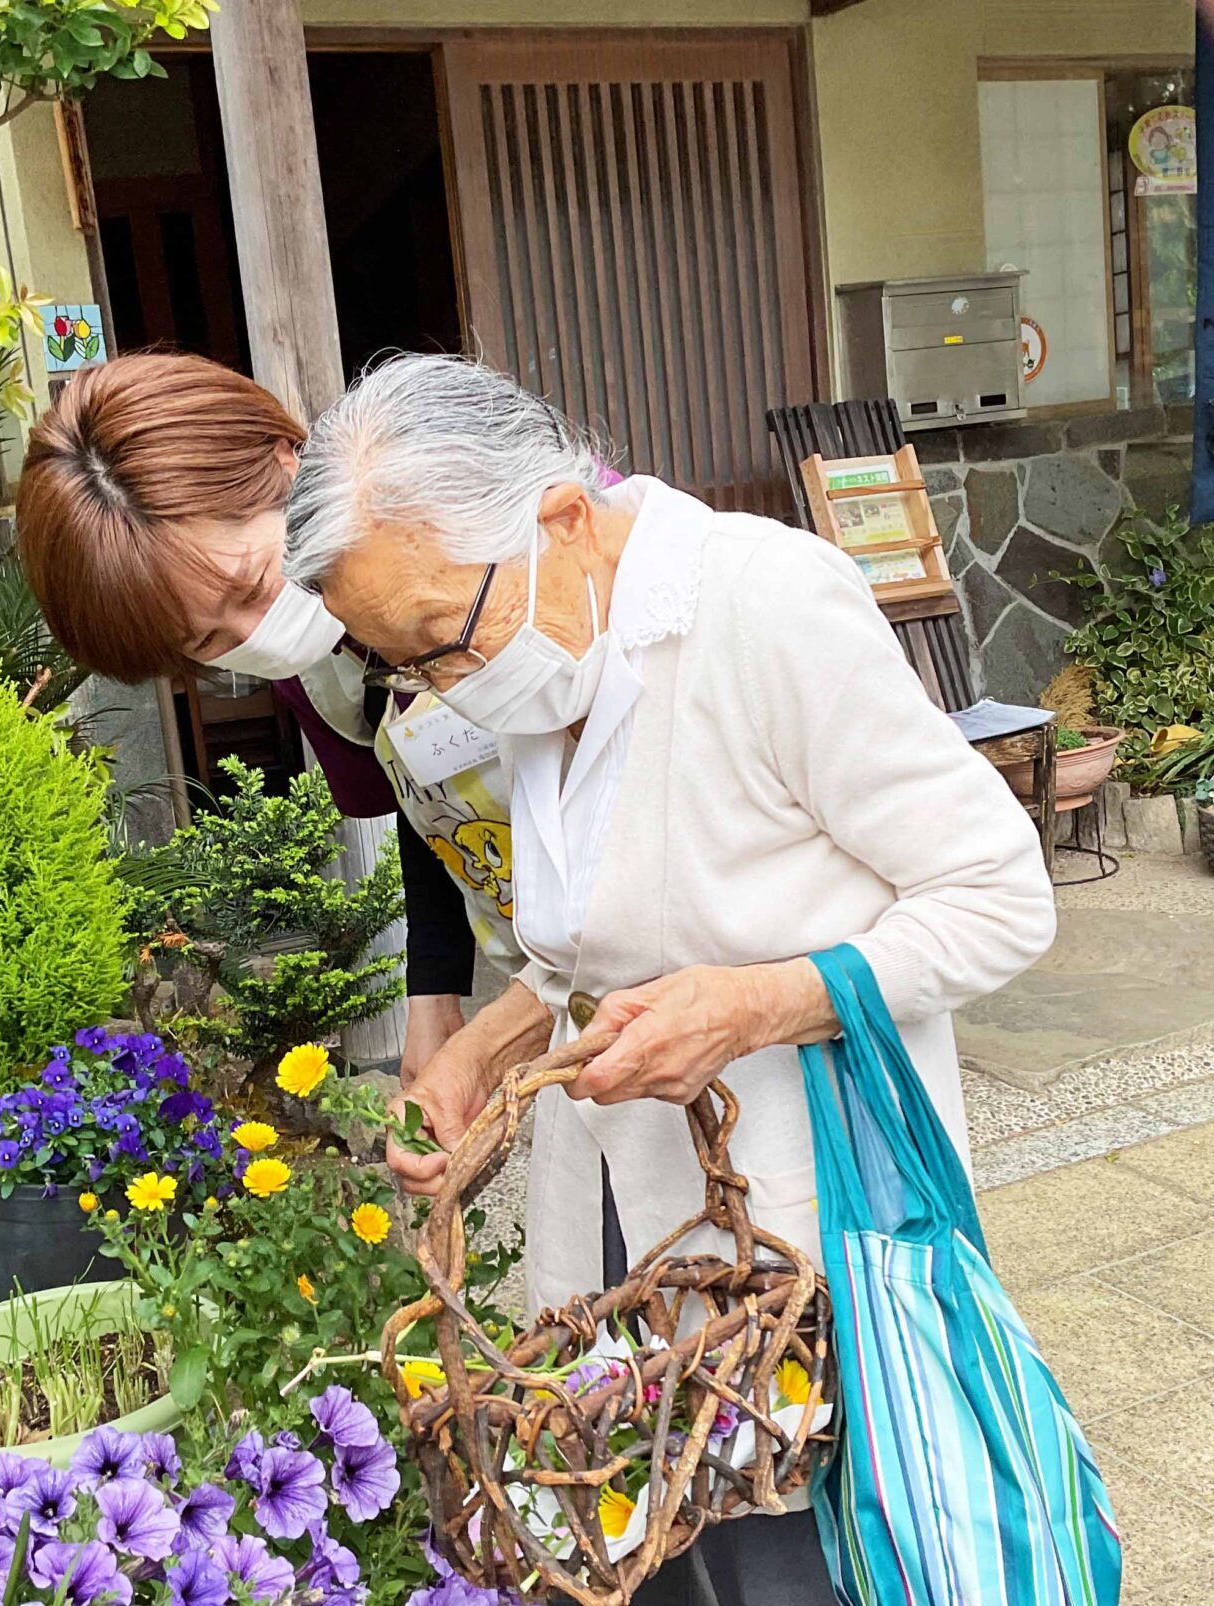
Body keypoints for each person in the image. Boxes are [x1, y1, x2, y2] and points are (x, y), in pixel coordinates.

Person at [281, 354, 1057, 1606]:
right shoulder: (546, 648)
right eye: (403, 666)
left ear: (563, 520)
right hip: (616, 1211)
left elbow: (1001, 896)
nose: (440, 690)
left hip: (796, 1234)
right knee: (656, 1544)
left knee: (792, 1552)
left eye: (438, 643)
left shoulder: (765, 609)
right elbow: (587, 937)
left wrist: (753, 1002)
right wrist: (484, 1049)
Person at [16, 351, 546, 1078]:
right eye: (205, 640)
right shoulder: (314, 671)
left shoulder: (496, 539)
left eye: (250, 585)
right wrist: (434, 997)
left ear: (285, 463)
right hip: (554, 983)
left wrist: (495, 1044)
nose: (255, 634)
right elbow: (427, 808)